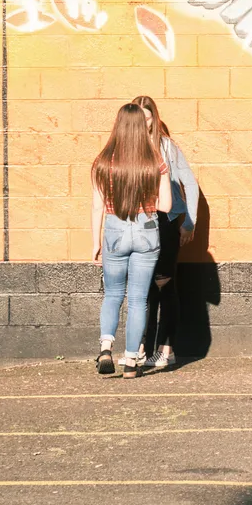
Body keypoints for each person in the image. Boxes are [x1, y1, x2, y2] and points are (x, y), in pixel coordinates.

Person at [91, 103, 172, 379]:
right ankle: (130, 362)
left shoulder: (103, 162)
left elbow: (97, 206)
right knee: (138, 299)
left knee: (113, 294)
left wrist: (95, 242)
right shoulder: (155, 162)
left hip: (114, 228)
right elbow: (166, 204)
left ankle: (105, 346)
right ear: (142, 127)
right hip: (146, 229)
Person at [131, 95, 201, 371]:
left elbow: (191, 184)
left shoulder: (167, 147)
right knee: (142, 288)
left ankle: (165, 349)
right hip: (138, 225)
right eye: (139, 118)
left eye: (147, 118)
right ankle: (138, 348)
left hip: (166, 224)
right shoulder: (128, 148)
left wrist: (189, 223)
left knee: (165, 285)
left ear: (154, 117)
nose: (144, 124)